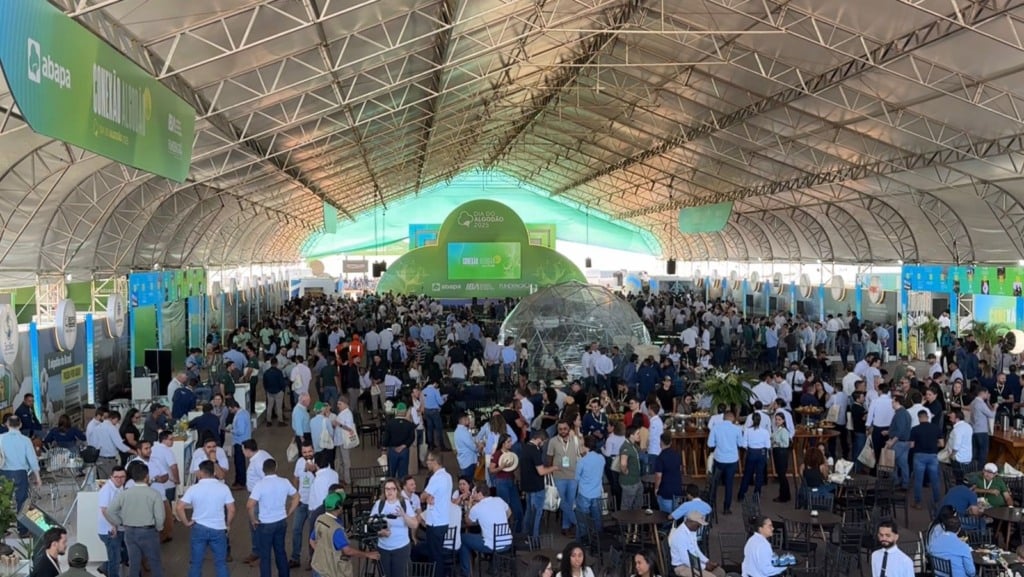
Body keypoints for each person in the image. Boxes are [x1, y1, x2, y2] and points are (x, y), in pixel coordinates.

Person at [176, 460, 235, 577]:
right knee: (221, 564)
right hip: (218, 528)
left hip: (199, 528)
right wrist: (228, 524)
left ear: (201, 472)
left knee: (196, 564)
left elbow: (179, 507)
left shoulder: (193, 488)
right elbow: (232, 509)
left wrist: (186, 522)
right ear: (214, 472)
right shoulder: (223, 488)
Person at [107, 462, 165, 577]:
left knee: (134, 564)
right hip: (148, 531)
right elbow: (160, 516)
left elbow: (110, 511)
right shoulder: (154, 494)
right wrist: (159, 528)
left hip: (129, 531)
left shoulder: (124, 494)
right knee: (155, 563)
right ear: (147, 476)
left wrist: (121, 522)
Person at [248, 458, 300, 577]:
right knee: (280, 552)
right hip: (281, 522)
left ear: (263, 470)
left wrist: (253, 520)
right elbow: (297, 497)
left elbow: (249, 505)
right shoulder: (284, 482)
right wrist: (289, 512)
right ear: (276, 468)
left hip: (265, 524)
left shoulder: (260, 485)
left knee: (265, 556)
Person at [309, 492, 380, 577]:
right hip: (330, 573)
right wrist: (367, 554)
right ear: (339, 507)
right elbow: (347, 551)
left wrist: (324, 554)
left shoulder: (320, 519)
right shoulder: (336, 529)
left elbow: (312, 540)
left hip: (318, 567)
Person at [460, 481, 513, 577]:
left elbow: (468, 521)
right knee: (485, 534)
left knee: (462, 538)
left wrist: (470, 504)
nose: (472, 495)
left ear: (480, 494)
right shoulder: (499, 500)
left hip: (492, 545)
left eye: (474, 493)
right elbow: (509, 512)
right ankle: (493, 566)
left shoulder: (477, 507)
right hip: (507, 542)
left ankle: (466, 573)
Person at [371, 478, 419, 577]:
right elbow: (370, 525)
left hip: (401, 548)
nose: (390, 491)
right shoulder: (379, 504)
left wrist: (404, 515)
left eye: (392, 488)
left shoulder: (404, 503)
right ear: (384, 490)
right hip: (383, 548)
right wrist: (380, 532)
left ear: (397, 490)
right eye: (387, 489)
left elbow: (414, 524)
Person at [547, 418, 582, 535]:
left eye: (565, 429)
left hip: (573, 475)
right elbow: (549, 457)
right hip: (559, 476)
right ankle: (577, 523)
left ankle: (565, 527)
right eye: (560, 429)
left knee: (570, 502)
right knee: (562, 501)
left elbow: (581, 451)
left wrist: (577, 431)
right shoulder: (552, 441)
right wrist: (551, 471)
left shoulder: (575, 440)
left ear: (569, 429)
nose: (562, 431)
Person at [421, 451, 452, 577]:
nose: (427, 463)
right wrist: (429, 497)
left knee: (434, 555)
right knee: (437, 552)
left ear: (435, 461)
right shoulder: (448, 476)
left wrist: (426, 497)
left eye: (429, 460)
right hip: (444, 520)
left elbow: (423, 496)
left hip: (434, 522)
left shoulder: (436, 478)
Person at [708, 411, 744, 515]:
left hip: (719, 459)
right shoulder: (737, 429)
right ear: (733, 418)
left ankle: (710, 506)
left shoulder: (716, 428)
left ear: (723, 418)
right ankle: (726, 508)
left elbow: (710, 444)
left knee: (714, 483)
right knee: (729, 484)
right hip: (732, 460)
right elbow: (740, 444)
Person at [522, 430, 555, 539]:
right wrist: (554, 468)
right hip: (537, 486)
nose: (543, 444)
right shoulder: (535, 451)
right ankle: (534, 538)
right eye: (544, 442)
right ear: (540, 439)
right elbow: (541, 471)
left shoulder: (525, 447)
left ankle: (525, 535)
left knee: (529, 512)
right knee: (537, 514)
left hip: (527, 486)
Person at [670, 511, 722, 577]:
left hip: (693, 562)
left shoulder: (691, 530)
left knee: (720, 572)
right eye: (698, 525)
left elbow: (696, 550)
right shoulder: (680, 535)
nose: (699, 527)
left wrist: (707, 561)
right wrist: (704, 567)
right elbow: (686, 559)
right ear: (690, 521)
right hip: (682, 567)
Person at [489, 433, 524, 532]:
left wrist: (518, 479)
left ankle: (516, 532)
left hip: (511, 481)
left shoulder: (511, 453)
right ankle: (505, 531)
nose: (510, 443)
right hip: (501, 482)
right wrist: (501, 467)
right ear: (503, 443)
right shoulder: (497, 454)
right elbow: (491, 470)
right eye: (508, 442)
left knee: (517, 509)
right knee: (504, 508)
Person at [290, 441, 316, 569]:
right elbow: (296, 478)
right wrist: (296, 494)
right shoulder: (299, 462)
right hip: (301, 502)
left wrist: (313, 470)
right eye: (304, 452)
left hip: (313, 504)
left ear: (313, 451)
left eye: (309, 451)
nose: (307, 454)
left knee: (312, 533)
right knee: (296, 529)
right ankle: (295, 558)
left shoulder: (318, 463)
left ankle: (313, 559)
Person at [98, 465, 128, 577]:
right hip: (109, 530)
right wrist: (114, 525)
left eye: (122, 477)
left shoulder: (119, 488)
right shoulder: (107, 490)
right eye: (116, 477)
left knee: (121, 554)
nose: (119, 479)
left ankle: (105, 567)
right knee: (115, 560)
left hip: (118, 527)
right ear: (111, 477)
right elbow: (104, 510)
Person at [910, 409, 942, 509]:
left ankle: (918, 502)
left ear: (919, 418)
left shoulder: (915, 429)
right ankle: (937, 501)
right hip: (933, 456)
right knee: (935, 480)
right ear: (928, 417)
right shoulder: (936, 428)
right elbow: (941, 443)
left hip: (919, 455)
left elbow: (911, 445)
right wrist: (934, 445)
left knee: (918, 480)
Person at [575, 436, 605, 537]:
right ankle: (598, 540)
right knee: (597, 519)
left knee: (582, 521)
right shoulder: (601, 458)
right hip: (597, 493)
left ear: (585, 447)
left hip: (584, 493)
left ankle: (583, 541)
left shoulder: (582, 461)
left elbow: (576, 478)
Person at [737, 412, 769, 502]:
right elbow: (768, 445)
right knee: (759, 475)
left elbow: (744, 444)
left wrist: (749, 448)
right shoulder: (765, 431)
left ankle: (741, 495)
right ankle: (756, 496)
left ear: (752, 420)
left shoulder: (747, 430)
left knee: (747, 474)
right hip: (761, 453)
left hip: (751, 452)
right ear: (760, 420)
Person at [94, 411, 135, 479]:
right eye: (117, 421)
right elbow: (120, 445)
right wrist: (133, 451)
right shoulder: (112, 428)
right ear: (113, 418)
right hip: (109, 460)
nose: (117, 423)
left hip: (99, 458)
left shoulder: (97, 427)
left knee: (102, 481)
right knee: (113, 480)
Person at [382, 403, 416, 479]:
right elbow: (412, 438)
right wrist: (404, 445)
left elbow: (386, 438)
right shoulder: (409, 424)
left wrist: (384, 449)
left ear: (396, 411)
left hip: (392, 450)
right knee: (403, 475)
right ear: (405, 412)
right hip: (404, 451)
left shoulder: (390, 423)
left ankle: (392, 486)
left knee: (391, 474)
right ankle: (402, 486)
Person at [654, 432, 684, 513]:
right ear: (671, 442)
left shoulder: (660, 458)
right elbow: (680, 469)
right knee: (676, 516)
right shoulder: (677, 455)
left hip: (665, 491)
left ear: (661, 442)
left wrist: (656, 488)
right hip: (677, 490)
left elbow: (658, 476)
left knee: (665, 516)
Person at [227, 398, 252, 489]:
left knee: (239, 463)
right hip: (243, 441)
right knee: (239, 462)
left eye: (230, 410)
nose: (230, 412)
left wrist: (231, 430)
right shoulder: (244, 412)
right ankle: (239, 480)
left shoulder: (240, 416)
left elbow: (240, 431)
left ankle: (241, 482)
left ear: (234, 407)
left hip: (240, 442)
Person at [454, 411, 478, 480]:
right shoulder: (462, 432)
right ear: (462, 420)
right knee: (468, 481)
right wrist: (479, 447)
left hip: (466, 460)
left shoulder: (461, 430)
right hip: (468, 461)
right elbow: (473, 446)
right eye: (467, 418)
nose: (469, 420)